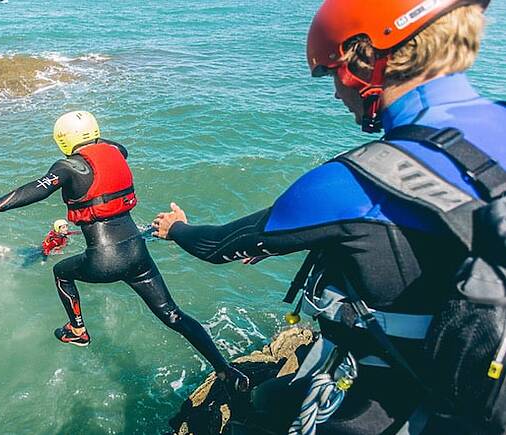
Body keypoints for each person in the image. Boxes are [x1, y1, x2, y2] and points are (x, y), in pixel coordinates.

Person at [154, 1, 504, 433]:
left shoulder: (353, 180)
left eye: (331, 74)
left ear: (367, 59)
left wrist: (176, 228)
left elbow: (219, 247)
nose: (337, 93)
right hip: (488, 378)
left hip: (409, 401)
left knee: (257, 416)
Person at [0, 111, 248, 387]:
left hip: (104, 259)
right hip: (137, 253)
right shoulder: (116, 152)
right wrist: (94, 138)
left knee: (60, 272)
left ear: (62, 139)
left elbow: (37, 188)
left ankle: (77, 330)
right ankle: (226, 371)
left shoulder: (68, 167)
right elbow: (112, 146)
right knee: (173, 315)